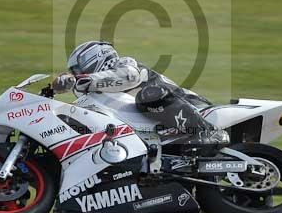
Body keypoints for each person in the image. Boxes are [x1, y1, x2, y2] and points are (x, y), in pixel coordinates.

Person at [52, 40, 229, 152]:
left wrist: (83, 80)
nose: (76, 75)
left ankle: (208, 132)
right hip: (156, 130)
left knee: (148, 96)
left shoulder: (124, 63)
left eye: (76, 70)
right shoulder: (97, 90)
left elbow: (129, 76)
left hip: (194, 107)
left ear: (92, 59)